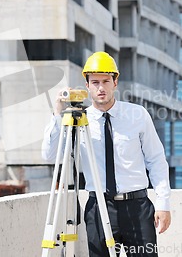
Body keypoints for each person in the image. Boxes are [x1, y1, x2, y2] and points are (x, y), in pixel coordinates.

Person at [42, 51, 171, 257]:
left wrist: (163, 204)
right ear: (87, 85)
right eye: (95, 82)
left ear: (115, 82)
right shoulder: (79, 120)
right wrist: (58, 113)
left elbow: (156, 159)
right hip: (98, 208)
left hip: (137, 206)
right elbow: (50, 156)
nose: (101, 88)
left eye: (105, 81)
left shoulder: (137, 115)